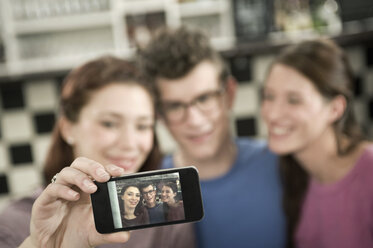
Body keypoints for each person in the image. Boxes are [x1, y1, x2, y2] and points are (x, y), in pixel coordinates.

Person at [0, 56, 196, 248]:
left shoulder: (168, 217)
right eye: (109, 123)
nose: (129, 144)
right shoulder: (15, 223)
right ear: (67, 128)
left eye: (143, 126)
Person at [137, 26, 286, 248]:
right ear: (159, 114)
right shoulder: (148, 195)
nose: (195, 120)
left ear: (229, 95)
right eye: (175, 106)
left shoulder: (280, 163)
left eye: (205, 98)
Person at [261, 39, 373, 248]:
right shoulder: (290, 172)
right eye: (269, 96)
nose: (272, 113)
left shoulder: (369, 171)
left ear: (335, 109)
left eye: (294, 100)